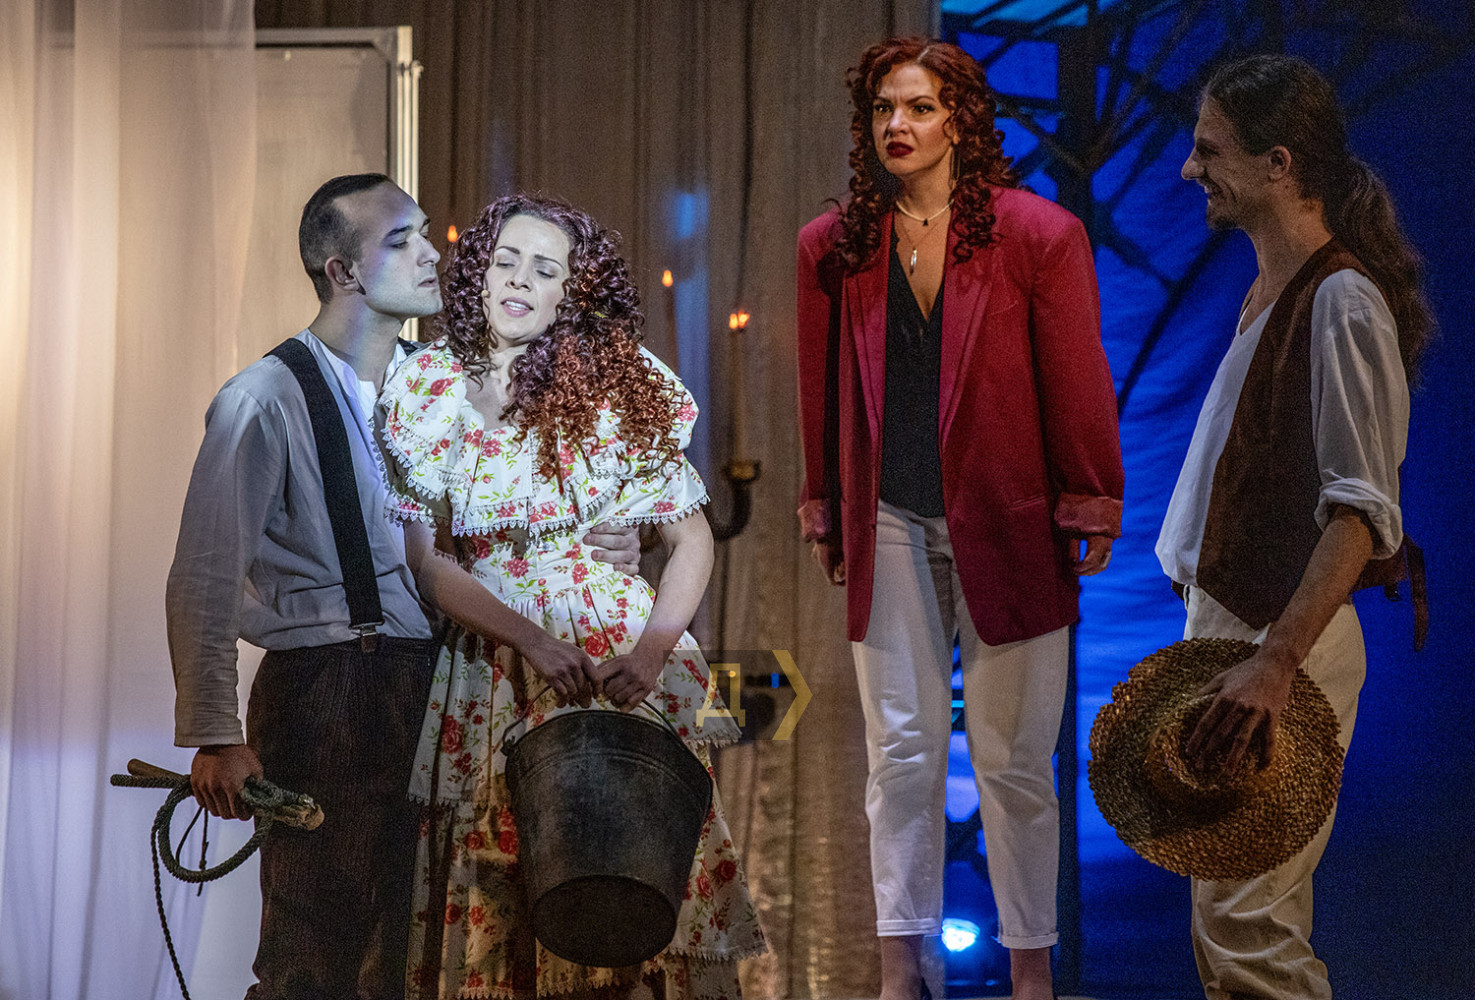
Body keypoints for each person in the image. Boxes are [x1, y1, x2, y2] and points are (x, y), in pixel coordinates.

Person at [167, 173, 639, 999]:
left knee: (419, 958)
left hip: (445, 685)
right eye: (402, 240)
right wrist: (215, 732)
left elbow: (516, 520)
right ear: (342, 271)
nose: (432, 254)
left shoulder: (451, 387)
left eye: (425, 233)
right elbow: (205, 577)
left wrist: (609, 539)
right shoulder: (264, 398)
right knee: (312, 957)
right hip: (327, 693)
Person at [794, 38, 1124, 1000]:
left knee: (1013, 761)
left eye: (919, 107)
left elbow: (1074, 374)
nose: (896, 125)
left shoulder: (1037, 234)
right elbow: (820, 388)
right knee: (898, 752)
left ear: (960, 121)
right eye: (882, 109)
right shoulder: (835, 244)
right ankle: (900, 972)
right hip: (888, 514)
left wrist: (1090, 496)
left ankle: (1031, 975)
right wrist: (825, 508)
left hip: (1008, 519)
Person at [377, 193, 765, 999]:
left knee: (627, 868)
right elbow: (425, 560)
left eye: (544, 269)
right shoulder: (427, 386)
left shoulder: (616, 387)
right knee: (501, 868)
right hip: (494, 658)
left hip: (612, 653)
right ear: (480, 271)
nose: (519, 279)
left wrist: (650, 652)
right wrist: (530, 639)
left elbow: (691, 540)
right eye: (505, 260)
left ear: (571, 292)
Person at [1156, 54, 1430, 999]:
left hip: (1280, 640)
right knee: (1229, 923)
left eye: (1209, 151)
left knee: (1248, 926)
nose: (1190, 169)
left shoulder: (1340, 299)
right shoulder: (1268, 292)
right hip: (1233, 629)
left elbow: (1360, 514)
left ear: (1277, 163)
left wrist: (1274, 662)